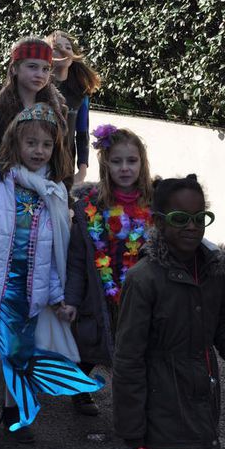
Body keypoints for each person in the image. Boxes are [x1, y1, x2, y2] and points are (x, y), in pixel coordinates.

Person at [0, 103, 104, 449]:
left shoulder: (52, 192)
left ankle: (13, 412)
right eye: (31, 143)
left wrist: (60, 294)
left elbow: (54, 253)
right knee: (6, 353)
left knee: (22, 353)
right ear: (14, 142)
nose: (38, 151)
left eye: (46, 145)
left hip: (33, 294)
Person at [109, 174, 225, 449]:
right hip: (156, 384)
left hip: (196, 380)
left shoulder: (214, 272)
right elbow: (128, 356)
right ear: (159, 221)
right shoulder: (144, 279)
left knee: (172, 448)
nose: (192, 227)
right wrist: (131, 420)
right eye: (181, 219)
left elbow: (221, 325)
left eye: (200, 218)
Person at [64, 125, 153, 415]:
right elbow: (77, 260)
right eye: (117, 161)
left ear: (142, 163)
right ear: (105, 165)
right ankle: (78, 386)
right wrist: (73, 300)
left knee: (134, 350)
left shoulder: (154, 206)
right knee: (90, 349)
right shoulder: (90, 208)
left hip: (138, 295)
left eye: (132, 161)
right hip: (98, 292)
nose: (125, 168)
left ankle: (131, 406)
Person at [0, 37, 66, 177]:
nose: (40, 75)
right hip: (4, 190)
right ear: (15, 68)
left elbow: (65, 160)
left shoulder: (57, 112)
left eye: (45, 69)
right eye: (32, 67)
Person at [46, 30, 101, 183]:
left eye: (68, 47)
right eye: (56, 48)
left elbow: (82, 133)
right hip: (38, 162)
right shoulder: (40, 87)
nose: (63, 51)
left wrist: (82, 171)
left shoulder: (80, 92)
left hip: (66, 165)